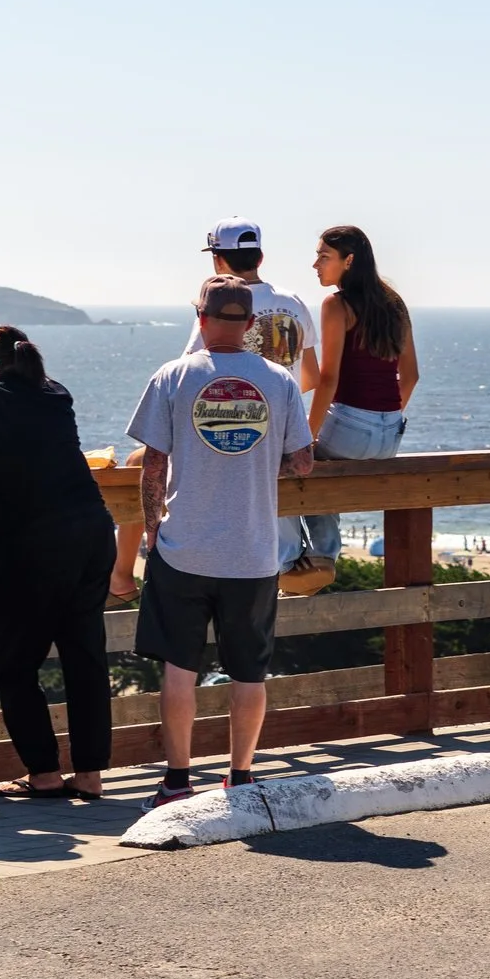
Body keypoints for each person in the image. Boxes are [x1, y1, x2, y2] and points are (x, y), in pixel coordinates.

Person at [128, 276, 316, 808]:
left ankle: (176, 782)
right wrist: (262, 460)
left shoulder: (173, 376)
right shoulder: (278, 380)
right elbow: (302, 460)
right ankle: (240, 776)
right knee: (249, 671)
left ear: (203, 320)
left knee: (179, 670)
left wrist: (151, 526)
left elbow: (153, 465)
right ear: (251, 324)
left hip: (184, 546)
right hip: (254, 552)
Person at [0, 326, 118, 801]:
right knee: (84, 657)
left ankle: (45, 774)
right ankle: (90, 775)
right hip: (91, 533)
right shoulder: (58, 392)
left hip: (28, 542)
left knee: (12, 662)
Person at [181, 218, 326, 595]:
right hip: (289, 433)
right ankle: (304, 559)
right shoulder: (293, 302)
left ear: (217, 261)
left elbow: (191, 377)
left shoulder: (221, 305)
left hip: (242, 432)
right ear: (260, 256)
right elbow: (310, 376)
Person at [298, 225, 418, 572]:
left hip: (351, 428)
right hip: (390, 436)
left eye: (323, 256)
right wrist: (383, 420)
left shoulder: (337, 304)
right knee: (315, 465)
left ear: (348, 261)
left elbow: (329, 378)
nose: (315, 265)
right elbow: (411, 376)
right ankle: (320, 555)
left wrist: (306, 438)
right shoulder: (395, 304)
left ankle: (318, 556)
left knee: (295, 469)